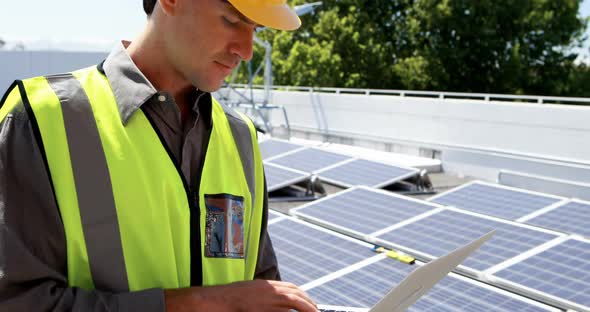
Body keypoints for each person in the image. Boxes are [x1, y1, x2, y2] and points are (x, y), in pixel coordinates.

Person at [0, 0, 318, 311]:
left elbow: (259, 283)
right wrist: (204, 303)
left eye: (256, 27)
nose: (246, 51)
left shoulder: (240, 136)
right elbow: (17, 301)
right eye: (232, 20)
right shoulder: (41, 119)